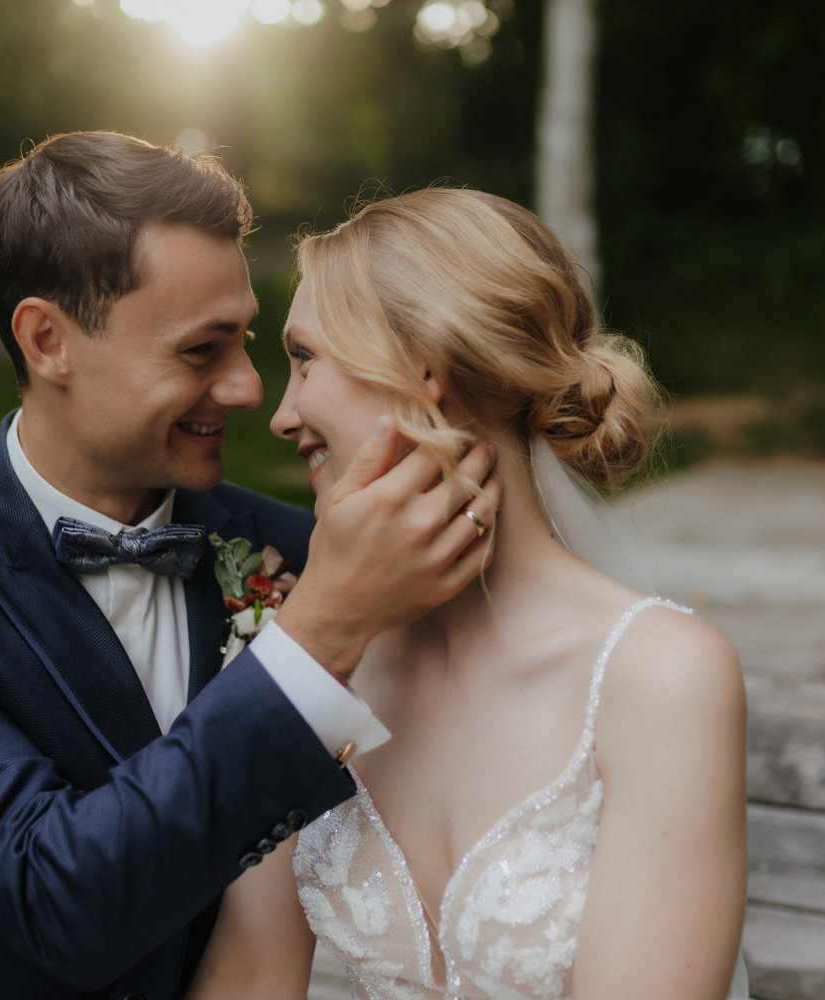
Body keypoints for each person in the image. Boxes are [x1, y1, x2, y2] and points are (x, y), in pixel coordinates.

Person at [0, 133, 502, 1000]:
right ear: (47, 340)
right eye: (201, 351)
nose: (246, 390)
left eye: (248, 342)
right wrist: (319, 633)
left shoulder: (307, 550)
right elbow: (58, 904)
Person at [186, 188, 750, 1000]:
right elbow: (244, 979)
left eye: (305, 358)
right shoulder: (314, 659)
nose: (282, 414)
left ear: (422, 364)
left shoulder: (660, 677)